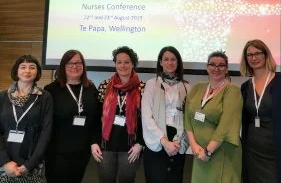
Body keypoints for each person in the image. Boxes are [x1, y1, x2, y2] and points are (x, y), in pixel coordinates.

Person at [240, 39, 281, 183]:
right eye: (249, 54)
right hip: (252, 152)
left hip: (278, 153)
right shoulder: (245, 87)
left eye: (257, 53)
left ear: (266, 55)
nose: (254, 58)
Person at [0, 55, 53, 183]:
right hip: (3, 162)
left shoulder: (45, 98)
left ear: (37, 72)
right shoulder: (1, 97)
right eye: (23, 67)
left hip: (32, 163)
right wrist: (5, 162)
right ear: (16, 71)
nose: (27, 71)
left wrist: (31, 164)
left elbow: (46, 132)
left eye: (32, 67)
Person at [184, 51, 242, 183]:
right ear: (207, 67)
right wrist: (193, 145)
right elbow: (187, 117)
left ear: (227, 69)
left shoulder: (232, 90)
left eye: (221, 65)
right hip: (199, 151)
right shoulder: (197, 88)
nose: (216, 69)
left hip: (221, 152)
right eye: (212, 65)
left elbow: (226, 125)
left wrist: (208, 151)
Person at [44, 50, 101, 183]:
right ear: (63, 66)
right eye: (70, 63)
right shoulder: (51, 90)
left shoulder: (91, 89)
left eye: (78, 62)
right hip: (57, 151)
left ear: (83, 66)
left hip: (82, 151)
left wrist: (94, 141)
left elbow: (96, 120)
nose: (74, 66)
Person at [92, 46, 145, 183]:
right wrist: (94, 142)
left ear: (133, 64)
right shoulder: (105, 86)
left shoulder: (142, 88)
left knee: (126, 180)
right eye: (119, 62)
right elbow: (96, 117)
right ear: (115, 64)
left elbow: (146, 120)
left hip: (131, 147)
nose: (123, 65)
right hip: (106, 146)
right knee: (105, 180)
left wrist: (140, 144)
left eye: (127, 62)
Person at [141, 46, 191, 183]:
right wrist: (163, 141)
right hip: (157, 139)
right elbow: (146, 116)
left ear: (178, 62)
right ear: (160, 62)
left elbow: (188, 117)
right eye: (166, 59)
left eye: (173, 59)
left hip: (177, 141)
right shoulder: (151, 84)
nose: (170, 63)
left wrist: (177, 141)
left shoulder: (186, 86)